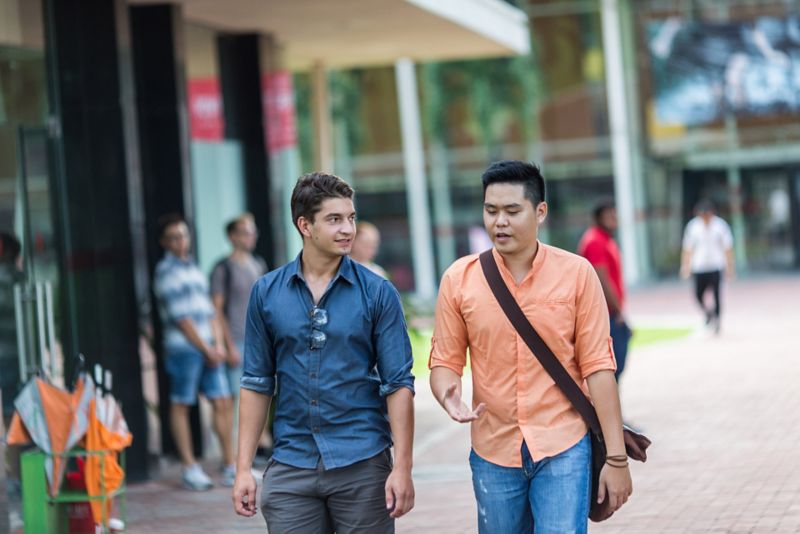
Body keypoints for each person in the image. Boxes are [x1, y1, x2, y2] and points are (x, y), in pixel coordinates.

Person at [429, 161, 632, 533]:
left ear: (540, 212)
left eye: (511, 211)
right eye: (491, 211)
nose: (499, 222)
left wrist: (616, 459)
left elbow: (600, 368)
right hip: (493, 450)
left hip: (564, 445)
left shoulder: (576, 274)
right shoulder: (459, 280)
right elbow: (445, 360)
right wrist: (448, 395)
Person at [232, 172, 415, 533]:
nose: (348, 229)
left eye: (350, 217)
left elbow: (399, 384)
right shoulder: (267, 293)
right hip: (291, 466)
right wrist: (242, 470)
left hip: (362, 463)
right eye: (334, 219)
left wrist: (402, 467)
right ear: (305, 225)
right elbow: (256, 383)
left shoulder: (378, 293)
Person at [152, 214, 235, 490]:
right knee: (182, 404)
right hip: (184, 349)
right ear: (165, 242)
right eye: (174, 237)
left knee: (222, 401)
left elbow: (210, 310)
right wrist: (207, 348)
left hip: (210, 347)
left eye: (184, 235)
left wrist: (219, 345)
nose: (181, 241)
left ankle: (230, 466)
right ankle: (189, 467)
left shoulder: (194, 268)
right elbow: (182, 319)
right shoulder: (166, 271)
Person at [578, 200, 632, 381]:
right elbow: (601, 279)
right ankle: (608, 408)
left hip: (611, 312)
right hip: (605, 314)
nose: (613, 220)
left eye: (614, 215)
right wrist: (618, 311)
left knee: (618, 366)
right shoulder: (595, 241)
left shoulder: (605, 240)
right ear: (598, 218)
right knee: (611, 368)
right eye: (609, 216)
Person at [680, 200, 735, 333]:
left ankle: (717, 320)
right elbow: (688, 249)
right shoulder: (693, 227)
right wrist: (685, 266)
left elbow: (727, 248)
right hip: (699, 267)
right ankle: (708, 313)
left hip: (716, 265)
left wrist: (730, 267)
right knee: (698, 295)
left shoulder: (720, 226)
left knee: (717, 295)